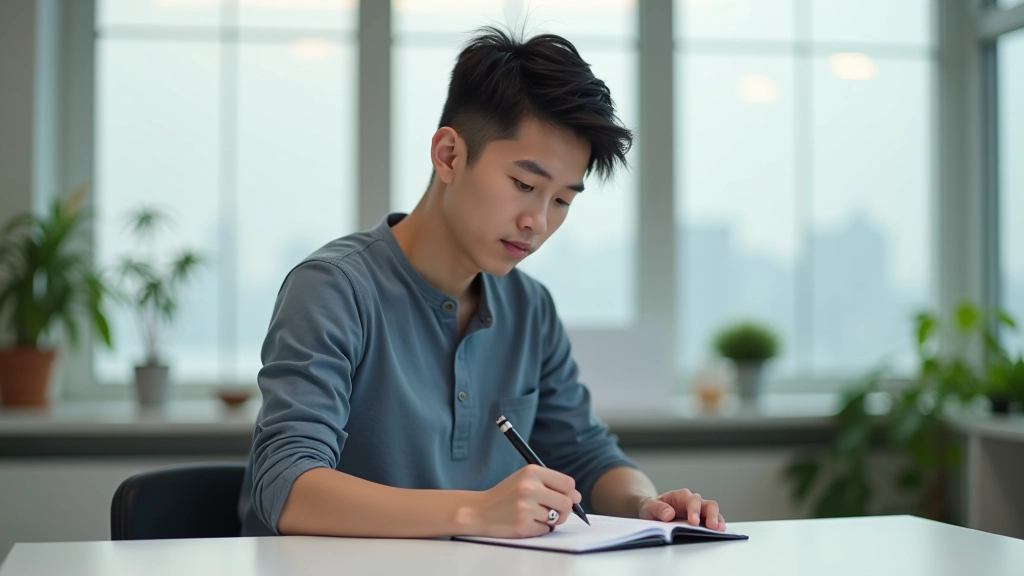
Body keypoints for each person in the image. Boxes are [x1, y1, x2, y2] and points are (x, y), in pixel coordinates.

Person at [238, 27, 726, 539]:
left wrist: (646, 505)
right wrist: (476, 511)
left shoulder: (531, 307)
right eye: (524, 184)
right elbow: (286, 483)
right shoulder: (333, 289)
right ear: (449, 155)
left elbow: (585, 452)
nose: (538, 221)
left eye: (562, 200)